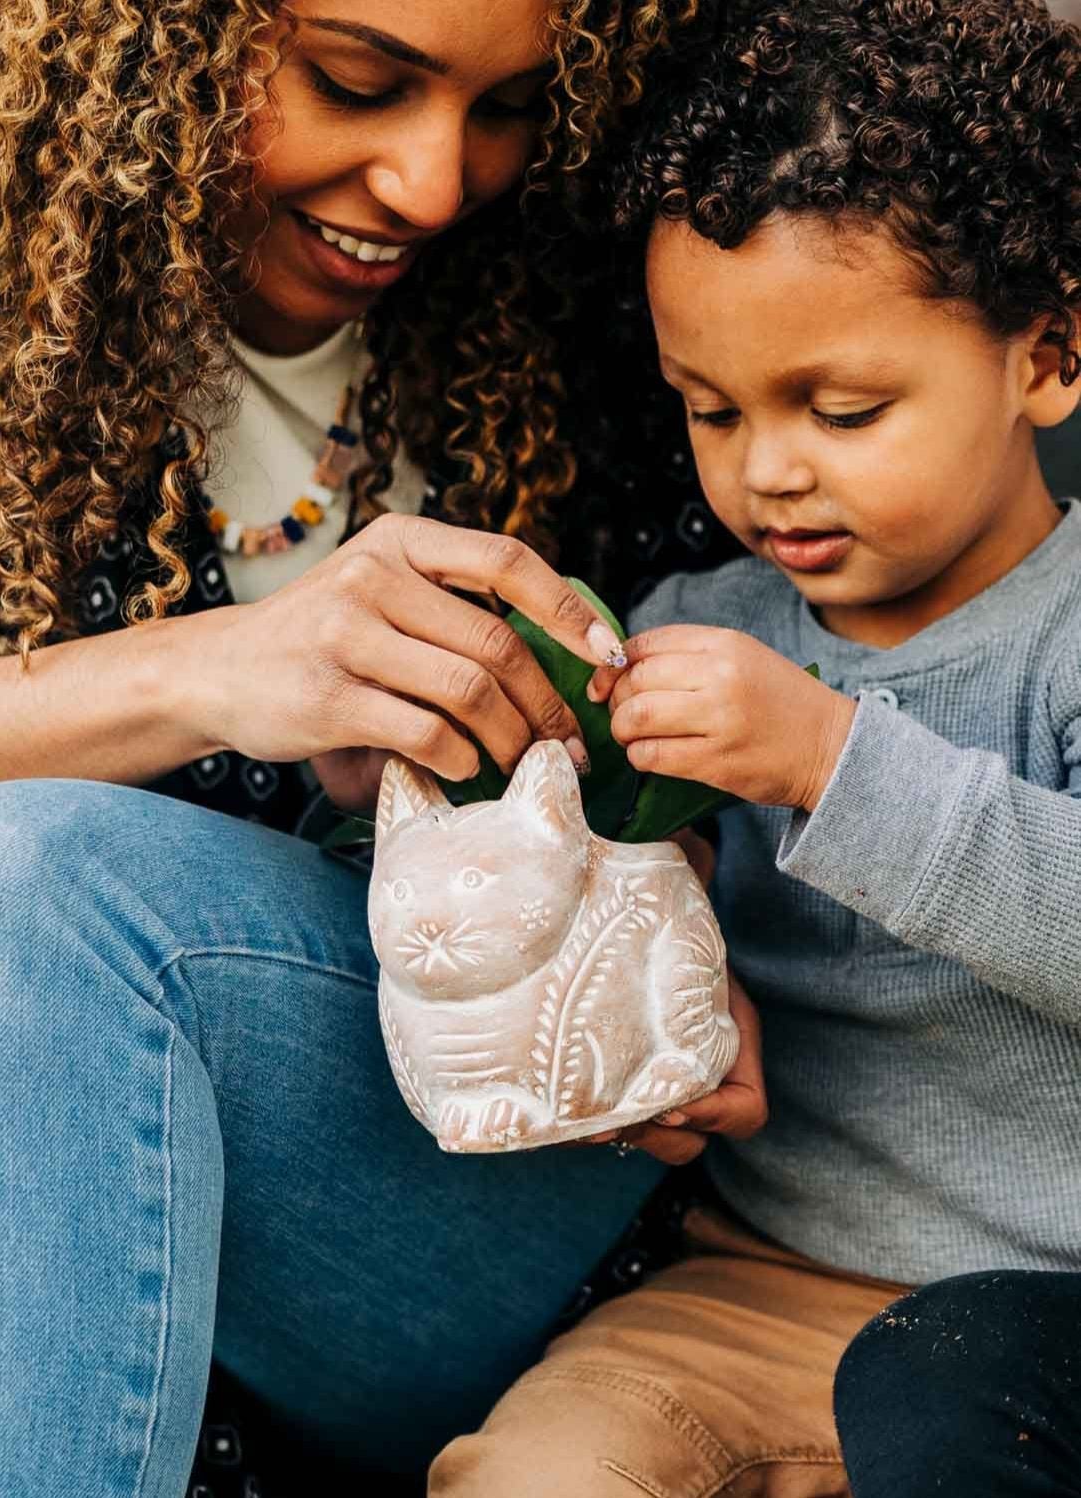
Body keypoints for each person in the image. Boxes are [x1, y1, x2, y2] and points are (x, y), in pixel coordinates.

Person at [0, 1, 765, 1494]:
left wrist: (659, 862)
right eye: (355, 81)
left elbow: (777, 699)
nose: (430, 181)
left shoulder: (587, 221)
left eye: (510, 107)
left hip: (465, 1142)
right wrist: (217, 672)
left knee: (10, 878)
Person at [427, 0, 1081, 1493]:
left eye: (841, 409)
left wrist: (832, 763)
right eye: (708, 410)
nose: (765, 468)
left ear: (1042, 354)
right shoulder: (694, 628)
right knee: (536, 1470)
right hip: (761, 1283)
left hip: (1050, 1319)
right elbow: (600, 893)